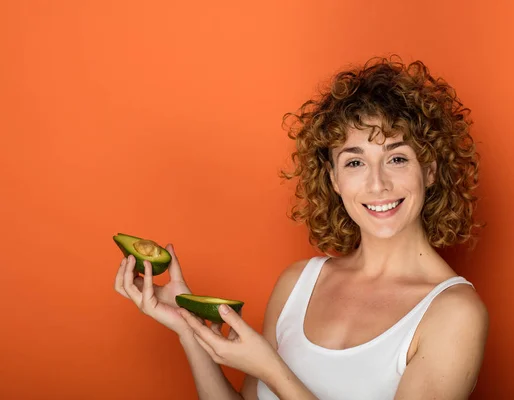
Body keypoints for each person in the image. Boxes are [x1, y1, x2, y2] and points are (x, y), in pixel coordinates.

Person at [114, 55, 489, 399]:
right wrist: (189, 329)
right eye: (355, 163)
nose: (377, 184)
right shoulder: (297, 283)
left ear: (430, 170)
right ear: (335, 178)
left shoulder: (454, 313)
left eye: (396, 158)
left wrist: (272, 370)